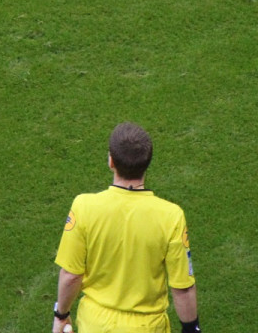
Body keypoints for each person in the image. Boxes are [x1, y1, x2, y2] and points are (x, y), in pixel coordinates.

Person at [52, 122, 200, 333]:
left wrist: (62, 315)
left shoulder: (84, 207)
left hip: (95, 325)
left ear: (111, 161)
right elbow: (182, 288)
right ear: (147, 163)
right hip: (148, 327)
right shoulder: (171, 216)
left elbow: (71, 275)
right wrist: (191, 328)